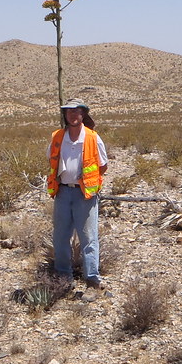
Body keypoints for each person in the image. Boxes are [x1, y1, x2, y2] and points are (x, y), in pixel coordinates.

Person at [47, 97, 108, 288]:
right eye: (69, 111)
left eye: (77, 111)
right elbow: (51, 160)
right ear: (65, 114)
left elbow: (103, 166)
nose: (73, 114)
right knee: (61, 236)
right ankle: (64, 277)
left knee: (88, 237)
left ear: (83, 114)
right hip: (63, 192)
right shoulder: (57, 136)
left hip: (85, 194)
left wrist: (86, 181)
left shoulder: (92, 137)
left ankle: (92, 278)